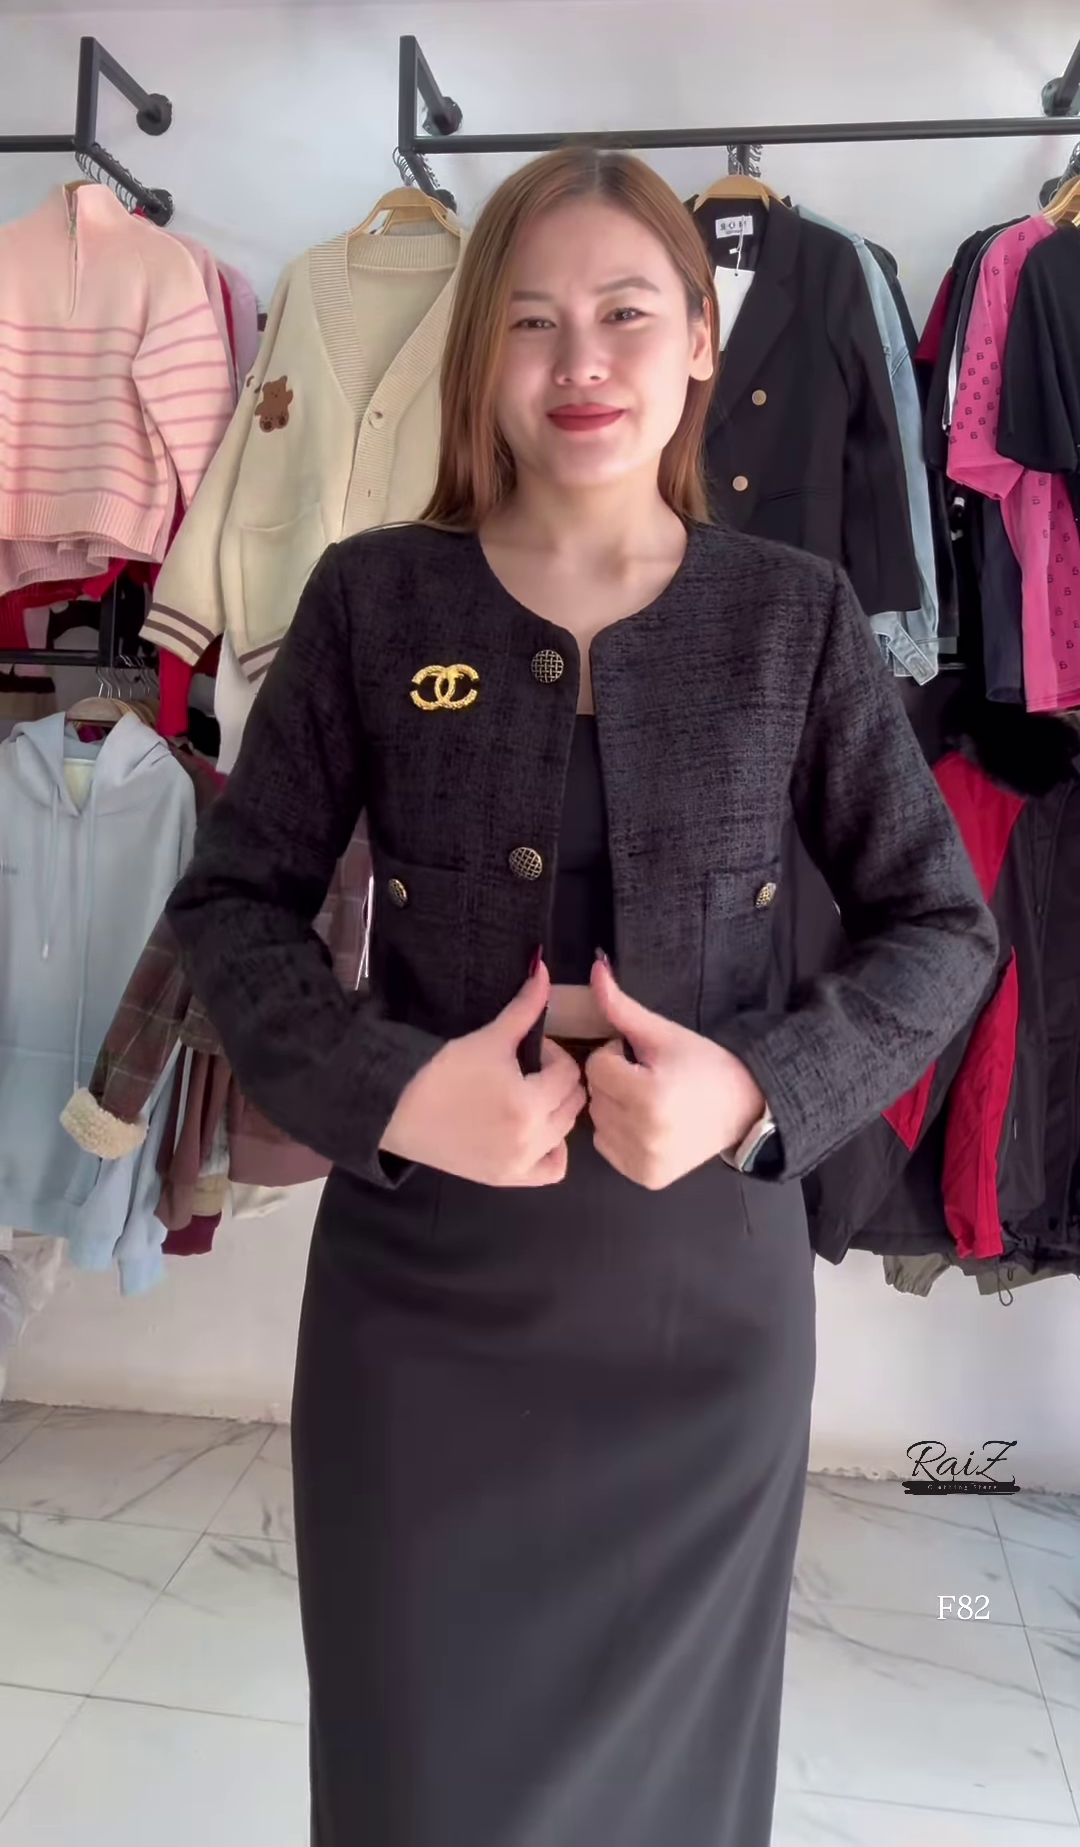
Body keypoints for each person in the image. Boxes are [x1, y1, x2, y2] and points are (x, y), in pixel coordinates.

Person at [167, 148, 997, 1847]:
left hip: (703, 1320)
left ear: (700, 342)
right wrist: (399, 1091)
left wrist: (755, 1089)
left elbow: (940, 928)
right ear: (481, 352)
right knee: (414, 1785)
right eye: (533, 321)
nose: (582, 363)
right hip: (418, 1308)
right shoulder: (372, 600)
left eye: (626, 313)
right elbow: (232, 911)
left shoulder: (794, 617)